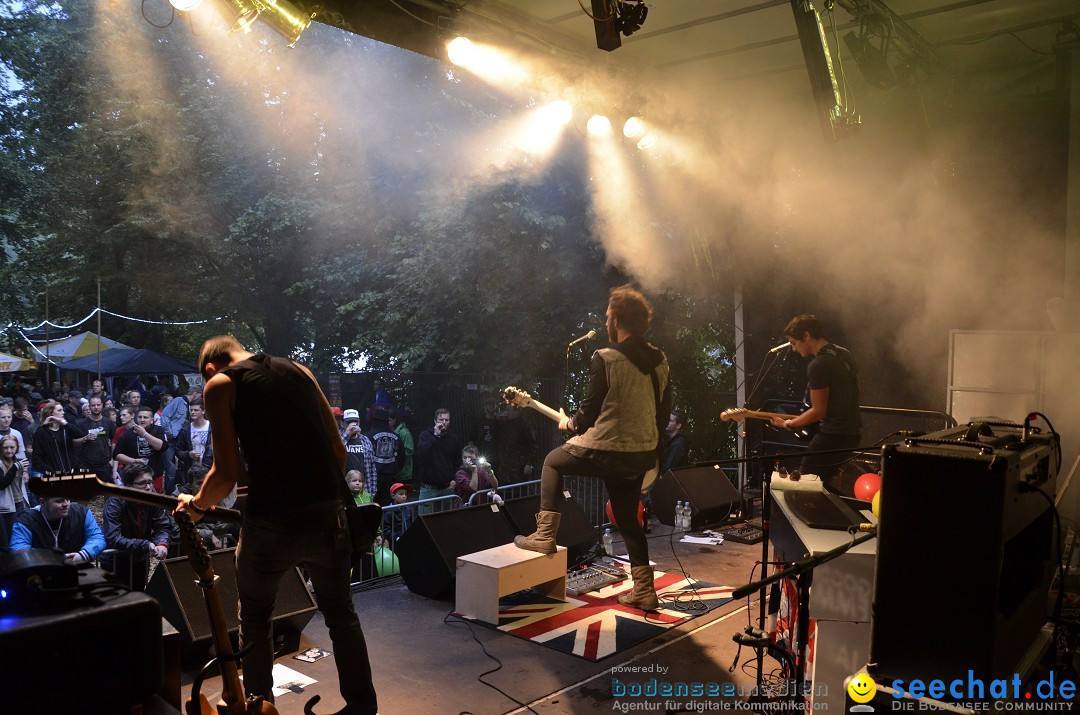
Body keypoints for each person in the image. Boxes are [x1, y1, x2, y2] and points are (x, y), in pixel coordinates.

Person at [175, 336, 378, 713]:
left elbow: (225, 473)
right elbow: (337, 450)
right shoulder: (301, 371)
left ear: (209, 368)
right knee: (341, 616)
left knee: (255, 618)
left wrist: (197, 505)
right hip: (326, 515)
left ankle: (258, 705)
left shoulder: (220, 385)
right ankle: (363, 707)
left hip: (270, 522)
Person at [515, 285, 670, 612]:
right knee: (628, 519)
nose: (606, 321)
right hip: (641, 453)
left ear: (616, 319)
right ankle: (644, 589)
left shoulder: (606, 358)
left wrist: (569, 424)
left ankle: (544, 536)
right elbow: (661, 413)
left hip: (609, 448)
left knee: (553, 462)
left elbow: (586, 417)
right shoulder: (660, 360)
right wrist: (655, 455)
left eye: (608, 316)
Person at [768, 314, 861, 491]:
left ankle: (831, 517)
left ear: (806, 336)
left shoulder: (818, 365)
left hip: (833, 435)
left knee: (805, 485)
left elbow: (819, 411)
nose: (794, 349)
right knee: (820, 484)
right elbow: (858, 389)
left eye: (794, 343)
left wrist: (788, 424)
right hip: (852, 434)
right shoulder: (844, 354)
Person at [101, 463, 171, 590]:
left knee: (138, 595)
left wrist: (161, 543)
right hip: (116, 562)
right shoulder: (115, 501)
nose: (148, 487)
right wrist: (144, 545)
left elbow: (163, 525)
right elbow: (113, 537)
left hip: (140, 560)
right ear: (128, 485)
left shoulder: (152, 497)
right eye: (142, 483)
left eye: (150, 482)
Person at [11, 495, 106, 565]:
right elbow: (19, 551)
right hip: (41, 576)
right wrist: (49, 560)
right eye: (59, 501)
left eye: (67, 499)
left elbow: (96, 537)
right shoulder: (26, 521)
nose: (66, 504)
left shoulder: (81, 513)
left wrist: (83, 555)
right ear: (42, 502)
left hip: (77, 573)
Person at [415, 408, 462, 513]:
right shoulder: (425, 435)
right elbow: (420, 455)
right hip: (428, 488)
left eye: (447, 420)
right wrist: (435, 436)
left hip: (447, 488)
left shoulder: (453, 438)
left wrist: (455, 479)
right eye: (441, 419)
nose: (444, 422)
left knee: (446, 521)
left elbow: (457, 462)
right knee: (424, 521)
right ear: (435, 421)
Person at [113, 406, 168, 494]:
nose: (142, 420)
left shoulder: (158, 430)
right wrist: (134, 461)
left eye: (145, 417)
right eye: (140, 417)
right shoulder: (128, 433)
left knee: (155, 502)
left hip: (154, 474)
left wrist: (144, 434)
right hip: (134, 476)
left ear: (151, 419)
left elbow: (162, 446)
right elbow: (116, 455)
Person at [30, 399, 86, 476]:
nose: (63, 412)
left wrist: (65, 423)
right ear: (51, 413)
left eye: (62, 410)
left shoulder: (66, 428)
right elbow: (36, 458)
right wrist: (50, 472)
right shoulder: (41, 432)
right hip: (54, 476)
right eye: (59, 410)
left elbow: (81, 435)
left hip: (72, 473)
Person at [366, 406, 404, 507]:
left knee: (373, 505)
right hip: (391, 477)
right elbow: (402, 459)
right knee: (388, 505)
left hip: (374, 478)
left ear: (375, 421)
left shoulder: (368, 437)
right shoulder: (397, 437)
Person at [76, 395, 116, 484]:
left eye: (98, 405)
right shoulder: (81, 424)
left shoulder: (109, 423)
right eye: (93, 405)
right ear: (89, 406)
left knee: (104, 494)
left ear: (102, 405)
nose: (96, 407)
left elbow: (114, 442)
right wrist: (85, 438)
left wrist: (112, 460)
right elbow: (74, 442)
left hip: (104, 464)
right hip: (86, 464)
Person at [342, 408, 378, 501]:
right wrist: (346, 435)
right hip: (343, 492)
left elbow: (372, 468)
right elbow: (333, 454)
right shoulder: (338, 439)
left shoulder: (365, 440)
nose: (353, 425)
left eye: (355, 422)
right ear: (342, 424)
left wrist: (372, 492)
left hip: (363, 492)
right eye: (349, 422)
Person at [0, 434, 30, 534]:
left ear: (17, 447)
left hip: (20, 502)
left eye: (12, 447)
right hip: (7, 506)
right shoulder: (1, 463)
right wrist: (15, 467)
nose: (9, 450)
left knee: (21, 532)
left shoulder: (18, 461)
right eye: (5, 448)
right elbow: (2, 484)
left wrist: (25, 472)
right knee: (10, 533)